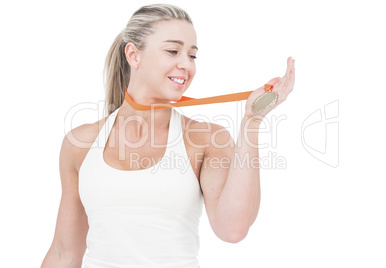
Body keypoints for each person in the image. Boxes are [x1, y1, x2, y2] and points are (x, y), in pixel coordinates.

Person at [41, 3, 295, 268]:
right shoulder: (79, 143)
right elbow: (64, 253)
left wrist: (252, 122)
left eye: (192, 55)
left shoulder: (205, 139)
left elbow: (232, 229)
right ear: (134, 55)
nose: (186, 64)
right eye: (173, 51)